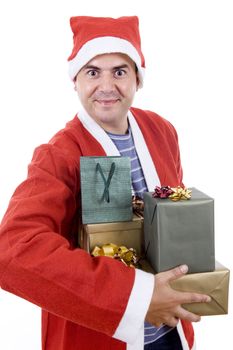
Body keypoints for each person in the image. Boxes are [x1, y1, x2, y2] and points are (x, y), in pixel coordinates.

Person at [0, 16, 210, 350]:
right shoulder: (58, 155)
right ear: (76, 81)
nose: (107, 85)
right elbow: (14, 252)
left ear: (138, 80)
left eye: (120, 71)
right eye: (93, 72)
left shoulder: (162, 131)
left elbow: (174, 213)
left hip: (171, 332)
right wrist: (138, 297)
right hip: (99, 337)